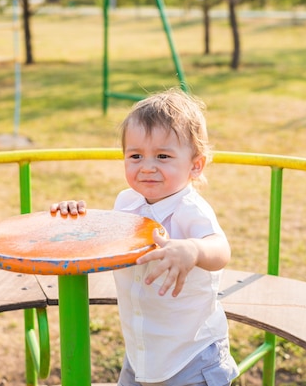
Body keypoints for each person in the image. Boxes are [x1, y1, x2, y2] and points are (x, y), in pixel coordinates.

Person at [50, 88, 238, 386]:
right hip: (143, 351)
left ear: (195, 165)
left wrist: (193, 249)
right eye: (136, 156)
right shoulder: (127, 203)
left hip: (190, 356)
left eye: (163, 156)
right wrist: (75, 215)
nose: (148, 167)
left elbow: (220, 248)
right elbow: (102, 236)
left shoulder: (189, 210)